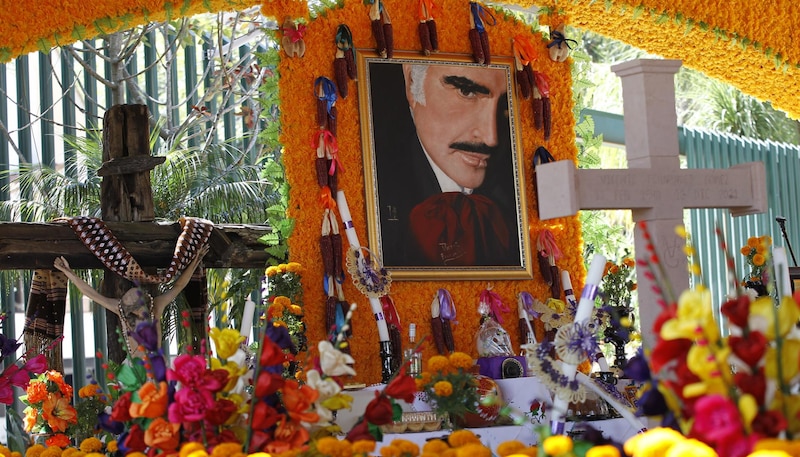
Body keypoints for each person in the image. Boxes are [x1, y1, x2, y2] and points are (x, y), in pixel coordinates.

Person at [370, 61, 521, 267]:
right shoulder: (373, 188)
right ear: (412, 82)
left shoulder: (516, 195)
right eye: (467, 91)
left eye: (505, 106)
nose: (490, 137)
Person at [52, 245, 209, 357]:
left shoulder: (156, 307)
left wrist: (196, 259)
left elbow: (179, 285)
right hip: (132, 372)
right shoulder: (121, 311)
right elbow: (91, 293)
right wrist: (68, 272)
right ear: (131, 310)